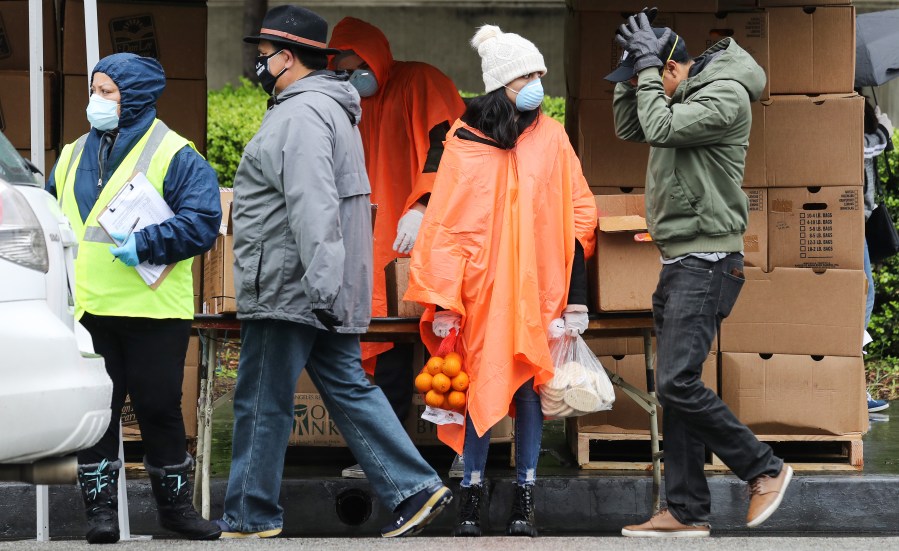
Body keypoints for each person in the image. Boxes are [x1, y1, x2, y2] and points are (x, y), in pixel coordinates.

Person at [216, 5, 451, 539]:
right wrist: (328, 288)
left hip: (290, 285)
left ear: (289, 58)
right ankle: (414, 487)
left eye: (263, 56)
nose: (259, 64)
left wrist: (319, 286)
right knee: (348, 387)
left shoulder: (300, 116)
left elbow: (312, 205)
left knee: (260, 400)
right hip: (317, 285)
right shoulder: (328, 110)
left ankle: (250, 515)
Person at [405, 25, 597, 538]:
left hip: (539, 291)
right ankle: (470, 495)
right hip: (478, 295)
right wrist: (443, 299)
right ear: (502, 82)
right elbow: (446, 224)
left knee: (530, 390)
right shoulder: (463, 140)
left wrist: (575, 298)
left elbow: (578, 214)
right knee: (477, 387)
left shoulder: (552, 137)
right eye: (528, 75)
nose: (538, 82)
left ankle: (524, 500)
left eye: (540, 72)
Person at [609, 14, 792, 537]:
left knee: (677, 380)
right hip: (680, 260)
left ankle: (765, 469)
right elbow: (633, 126)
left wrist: (646, 73)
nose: (643, 85)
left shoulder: (726, 96)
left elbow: (661, 126)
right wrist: (634, 73)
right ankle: (686, 510)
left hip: (707, 261)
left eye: (649, 74)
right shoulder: (679, 92)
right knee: (676, 388)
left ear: (670, 68)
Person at [47, 53, 222, 543]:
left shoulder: (176, 153)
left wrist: (145, 243)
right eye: (93, 91)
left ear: (136, 96)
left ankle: (176, 514)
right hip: (87, 310)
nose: (95, 102)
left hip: (153, 310)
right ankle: (100, 518)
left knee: (160, 409)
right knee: (96, 413)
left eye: (108, 93)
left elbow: (203, 222)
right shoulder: (72, 154)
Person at [327, 17, 467, 479]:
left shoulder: (420, 81)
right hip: (376, 245)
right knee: (384, 348)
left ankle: (459, 453)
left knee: (443, 348)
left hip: (433, 235)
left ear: (375, 55)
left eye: (356, 67)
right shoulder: (346, 103)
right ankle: (381, 459)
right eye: (341, 70)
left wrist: (423, 203)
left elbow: (449, 143)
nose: (351, 78)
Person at [861, 97, 893, 413]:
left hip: (857, 222)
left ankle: (854, 389)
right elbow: (857, 148)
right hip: (848, 222)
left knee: (861, 301)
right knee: (862, 301)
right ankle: (855, 391)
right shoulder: (841, 118)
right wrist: (883, 131)